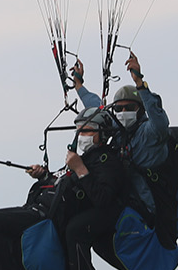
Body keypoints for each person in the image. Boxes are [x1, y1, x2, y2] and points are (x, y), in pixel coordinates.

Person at [39, 106, 128, 270]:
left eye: (88, 131)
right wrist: (44, 176)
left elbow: (103, 198)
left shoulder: (108, 160)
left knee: (75, 230)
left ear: (101, 134)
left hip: (110, 212)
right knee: (58, 221)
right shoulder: (85, 157)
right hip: (88, 204)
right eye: (79, 131)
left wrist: (80, 169)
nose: (82, 135)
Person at [73, 51, 172, 228]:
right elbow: (97, 108)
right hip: (122, 201)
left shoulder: (150, 134)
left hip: (144, 207)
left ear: (141, 109)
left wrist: (140, 84)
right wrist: (79, 86)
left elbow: (160, 121)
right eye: (119, 108)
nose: (123, 112)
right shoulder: (117, 128)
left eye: (130, 107)